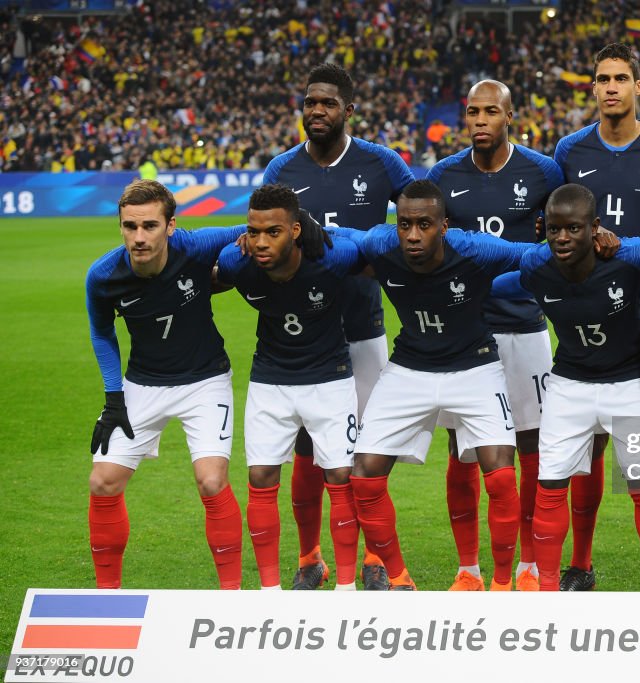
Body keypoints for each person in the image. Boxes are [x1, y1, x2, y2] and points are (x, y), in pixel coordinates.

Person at [262, 62, 415, 590]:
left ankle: (374, 558)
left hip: (363, 329)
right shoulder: (281, 170)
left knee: (366, 455)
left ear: (348, 110)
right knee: (306, 450)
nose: (317, 111)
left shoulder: (381, 164)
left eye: (327, 103)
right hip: (300, 338)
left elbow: (421, 218)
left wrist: (388, 260)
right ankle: (310, 558)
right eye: (310, 102)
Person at [346, 180, 542, 591]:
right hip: (409, 369)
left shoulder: (474, 249)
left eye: (424, 224)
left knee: (503, 475)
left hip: (475, 367)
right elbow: (336, 240)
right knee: (363, 475)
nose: (413, 235)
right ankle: (399, 579)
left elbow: (534, 258)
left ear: (444, 225)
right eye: (404, 225)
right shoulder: (381, 245)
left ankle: (503, 585)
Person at [490, 184, 640, 591]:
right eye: (554, 229)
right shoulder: (537, 266)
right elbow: (495, 286)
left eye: (573, 228)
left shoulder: (629, 256)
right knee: (550, 484)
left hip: (632, 380)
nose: (562, 238)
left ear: (595, 228)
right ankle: (550, 590)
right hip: (569, 384)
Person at [553, 41, 640, 591]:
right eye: (602, 78)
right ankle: (580, 563)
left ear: (639, 87)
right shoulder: (569, 150)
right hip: (584, 310)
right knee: (589, 443)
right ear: (594, 87)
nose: (611, 87)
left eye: (621, 78)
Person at [426, 79, 564, 592]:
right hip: (466, 335)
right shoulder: (444, 176)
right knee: (463, 452)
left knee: (531, 450)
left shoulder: (543, 172)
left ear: (511, 116)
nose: (480, 120)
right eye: (472, 112)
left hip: (526, 329)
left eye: (491, 112)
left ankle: (528, 564)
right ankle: (468, 568)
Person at [85, 179, 247, 589]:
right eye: (130, 226)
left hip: (205, 380)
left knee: (211, 480)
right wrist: (113, 397)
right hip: (142, 384)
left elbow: (258, 224)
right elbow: (102, 333)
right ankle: (108, 596)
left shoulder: (198, 245)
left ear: (171, 225)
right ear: (121, 226)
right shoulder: (103, 277)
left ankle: (232, 596)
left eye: (150, 226)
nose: (139, 237)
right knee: (102, 481)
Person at [216, 184, 368, 591]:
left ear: (296, 230)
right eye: (254, 232)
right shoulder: (236, 261)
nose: (261, 242)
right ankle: (269, 593)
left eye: (274, 232)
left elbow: (368, 241)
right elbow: (199, 257)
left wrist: (324, 228)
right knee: (261, 476)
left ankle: (347, 589)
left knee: (339, 476)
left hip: (331, 379)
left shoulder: (333, 257)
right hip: (270, 380)